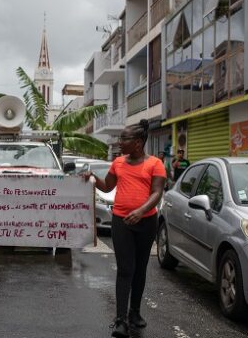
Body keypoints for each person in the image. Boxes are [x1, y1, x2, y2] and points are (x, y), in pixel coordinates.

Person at [83, 119, 166, 337]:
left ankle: (135, 313)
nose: (120, 142)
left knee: (140, 269)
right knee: (125, 269)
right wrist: (93, 178)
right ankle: (120, 320)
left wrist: (140, 211)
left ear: (138, 143)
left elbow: (157, 193)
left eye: (124, 139)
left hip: (147, 222)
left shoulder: (155, 164)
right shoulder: (118, 163)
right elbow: (108, 186)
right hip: (121, 222)